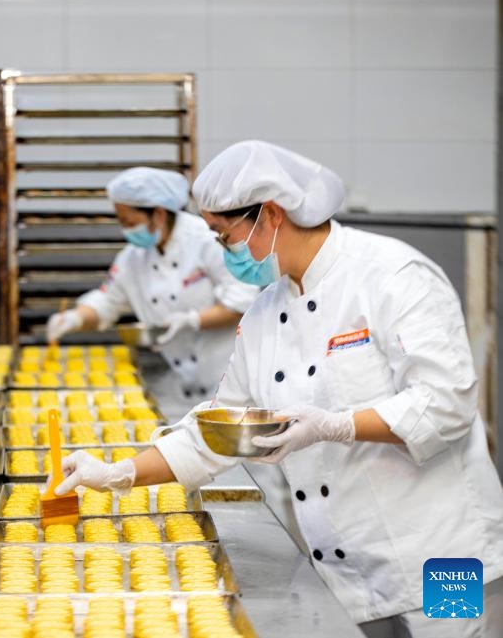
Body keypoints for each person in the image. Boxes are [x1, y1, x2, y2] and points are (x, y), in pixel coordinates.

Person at [53, 141, 503, 637]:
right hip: (345, 565)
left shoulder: (393, 277)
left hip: (442, 553)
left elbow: (446, 406)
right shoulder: (266, 311)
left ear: (269, 215)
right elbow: (219, 427)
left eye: (226, 237)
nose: (227, 254)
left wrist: (335, 425)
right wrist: (118, 473)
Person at [44, 167, 258, 416]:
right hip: (178, 385)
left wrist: (191, 320)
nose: (126, 231)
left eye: (131, 223)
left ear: (158, 213)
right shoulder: (133, 258)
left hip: (229, 377)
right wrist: (76, 317)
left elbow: (241, 302)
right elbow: (108, 301)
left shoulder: (206, 240)